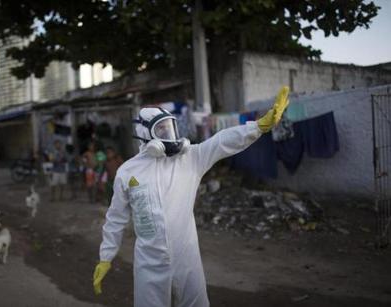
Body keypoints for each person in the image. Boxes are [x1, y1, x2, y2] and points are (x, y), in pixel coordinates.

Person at [93, 86, 290, 306]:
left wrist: (259, 126)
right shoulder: (127, 172)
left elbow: (222, 141)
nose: (170, 136)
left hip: (187, 259)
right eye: (162, 131)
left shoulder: (190, 159)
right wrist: (106, 256)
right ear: (145, 135)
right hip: (149, 264)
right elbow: (116, 218)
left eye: (171, 128)